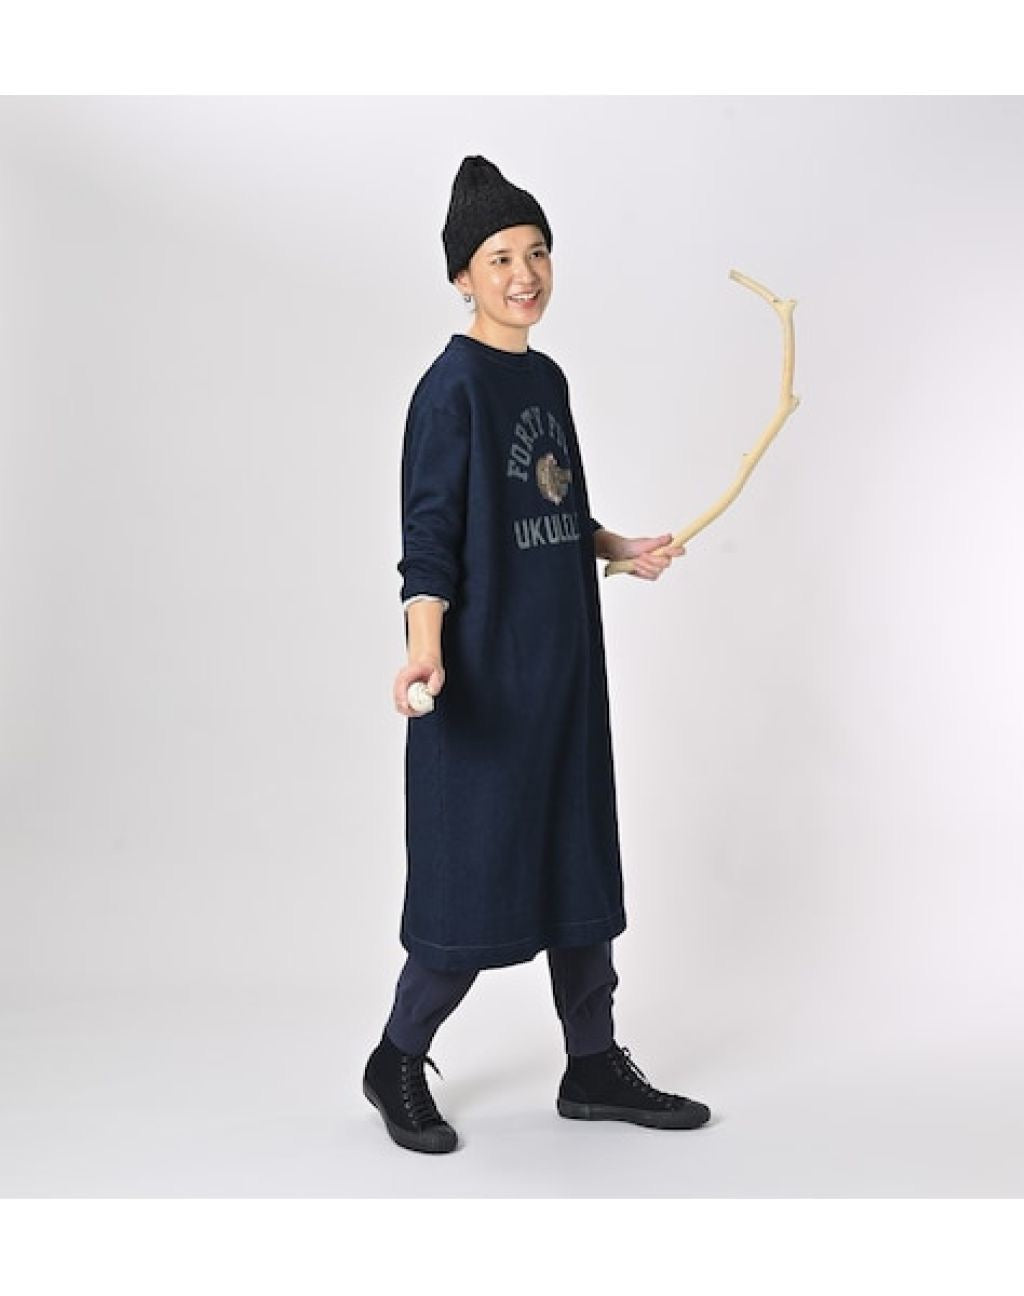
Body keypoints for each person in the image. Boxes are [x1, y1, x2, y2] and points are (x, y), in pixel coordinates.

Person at [362, 156, 711, 1154]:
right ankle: (396, 1056)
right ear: (462, 277)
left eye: (538, 252)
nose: (525, 274)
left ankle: (591, 1061)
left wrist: (616, 547)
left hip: (565, 674)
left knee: (577, 867)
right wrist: (424, 653)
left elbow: (551, 502)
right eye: (501, 257)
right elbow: (430, 538)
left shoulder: (545, 378)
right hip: (484, 683)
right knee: (470, 880)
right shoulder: (450, 391)